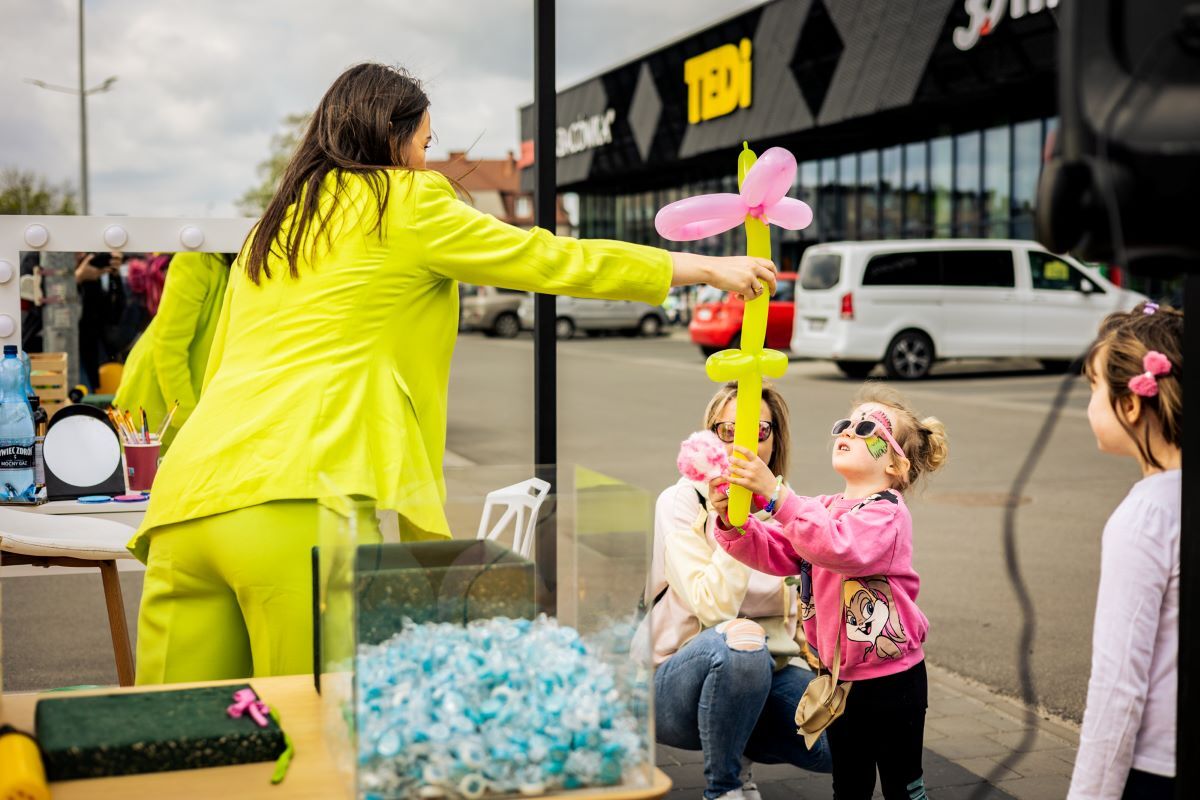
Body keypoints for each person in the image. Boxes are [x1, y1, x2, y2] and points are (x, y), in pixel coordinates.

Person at [130, 62, 778, 685]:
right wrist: (700, 269)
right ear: (392, 136)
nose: (427, 159)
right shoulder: (402, 200)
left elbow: (220, 366)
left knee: (174, 751)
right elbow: (547, 257)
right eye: (425, 142)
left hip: (186, 506)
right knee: (315, 752)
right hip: (299, 501)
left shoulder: (275, 227)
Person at [710, 384, 947, 800]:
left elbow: (840, 547)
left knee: (901, 784)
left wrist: (778, 495)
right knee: (849, 785)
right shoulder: (824, 507)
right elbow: (782, 548)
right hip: (837, 677)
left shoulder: (886, 513)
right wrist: (733, 521)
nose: (849, 431)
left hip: (894, 681)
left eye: (868, 427)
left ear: (896, 465)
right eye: (847, 424)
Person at [648, 382, 831, 800]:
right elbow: (714, 608)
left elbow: (800, 613)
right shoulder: (679, 503)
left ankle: (736, 736)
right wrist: (731, 519)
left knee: (843, 742)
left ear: (774, 440)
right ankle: (725, 787)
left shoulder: (784, 510)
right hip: (675, 685)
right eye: (727, 431)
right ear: (708, 438)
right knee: (742, 641)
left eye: (758, 432)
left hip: (768, 676)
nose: (741, 445)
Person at [1068, 302, 1180, 800]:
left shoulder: (1145, 520)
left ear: (1132, 404)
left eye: (1093, 387)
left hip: (1156, 768)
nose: (1089, 401)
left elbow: (1118, 688)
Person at [113, 252, 232, 450]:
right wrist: (188, 418)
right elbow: (169, 345)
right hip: (158, 408)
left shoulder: (242, 264)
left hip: (196, 412)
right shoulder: (197, 261)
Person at [75, 250, 126, 390]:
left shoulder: (93, 278)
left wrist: (114, 277)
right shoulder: (43, 262)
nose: (82, 255)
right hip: (57, 349)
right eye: (76, 252)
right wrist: (78, 277)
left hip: (89, 351)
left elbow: (113, 315)